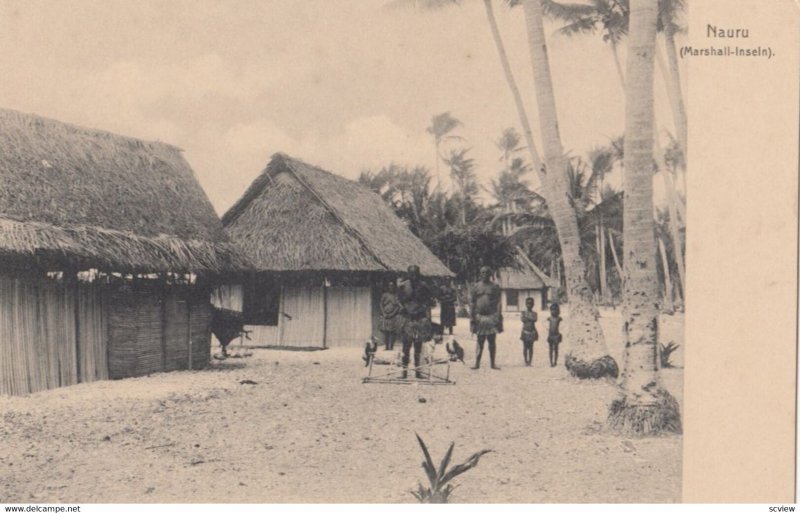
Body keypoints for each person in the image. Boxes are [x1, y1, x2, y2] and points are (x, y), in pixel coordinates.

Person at [397, 265, 435, 379]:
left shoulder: (424, 286)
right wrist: (403, 308)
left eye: (415, 274)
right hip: (408, 319)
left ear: (419, 274)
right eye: (411, 274)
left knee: (418, 346)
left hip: (419, 318)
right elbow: (399, 300)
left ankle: (418, 372)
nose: (413, 276)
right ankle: (404, 372)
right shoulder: (403, 286)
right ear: (408, 274)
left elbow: (429, 301)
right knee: (406, 346)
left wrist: (424, 312)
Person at [469, 266, 503, 370]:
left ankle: (492, 363)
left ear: (490, 274)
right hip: (479, 317)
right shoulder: (476, 287)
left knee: (492, 341)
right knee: (480, 340)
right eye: (482, 272)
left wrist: (498, 315)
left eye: (486, 272)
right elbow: (472, 302)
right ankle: (477, 363)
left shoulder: (495, 287)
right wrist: (472, 316)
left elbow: (498, 302)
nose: (484, 274)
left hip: (491, 316)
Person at [379, 280, 403, 351]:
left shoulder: (396, 296)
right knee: (386, 332)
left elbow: (398, 306)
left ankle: (391, 347)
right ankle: (386, 347)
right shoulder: (384, 295)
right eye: (390, 286)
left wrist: (393, 313)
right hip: (385, 315)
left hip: (393, 316)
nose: (391, 287)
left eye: (392, 286)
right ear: (388, 287)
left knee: (392, 332)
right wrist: (383, 313)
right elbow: (381, 304)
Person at [520, 297, 538, 366]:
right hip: (525, 331)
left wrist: (527, 318)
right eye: (528, 303)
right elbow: (523, 320)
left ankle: (530, 361)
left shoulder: (534, 313)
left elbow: (535, 319)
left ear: (533, 304)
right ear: (525, 304)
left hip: (532, 331)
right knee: (525, 347)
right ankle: (525, 361)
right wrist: (530, 318)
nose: (529, 305)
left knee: (531, 347)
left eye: (531, 303)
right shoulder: (524, 312)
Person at [547, 303, 563, 367]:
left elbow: (562, 326)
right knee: (550, 349)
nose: (553, 311)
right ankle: (551, 362)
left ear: (558, 311)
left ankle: (555, 361)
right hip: (550, 335)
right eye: (552, 310)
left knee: (556, 349)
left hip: (556, 335)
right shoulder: (549, 318)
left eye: (555, 310)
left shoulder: (559, 318)